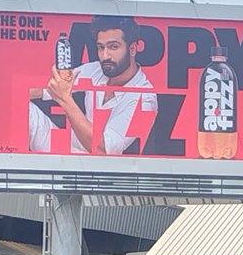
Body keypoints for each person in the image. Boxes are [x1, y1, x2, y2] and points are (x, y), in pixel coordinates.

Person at [28, 17, 156, 155]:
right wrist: (19, 93)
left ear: (132, 49)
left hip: (99, 168)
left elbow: (105, 150)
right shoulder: (97, 69)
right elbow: (52, 89)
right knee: (21, 105)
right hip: (66, 149)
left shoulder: (147, 101)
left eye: (114, 47)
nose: (105, 55)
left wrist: (65, 99)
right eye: (101, 47)